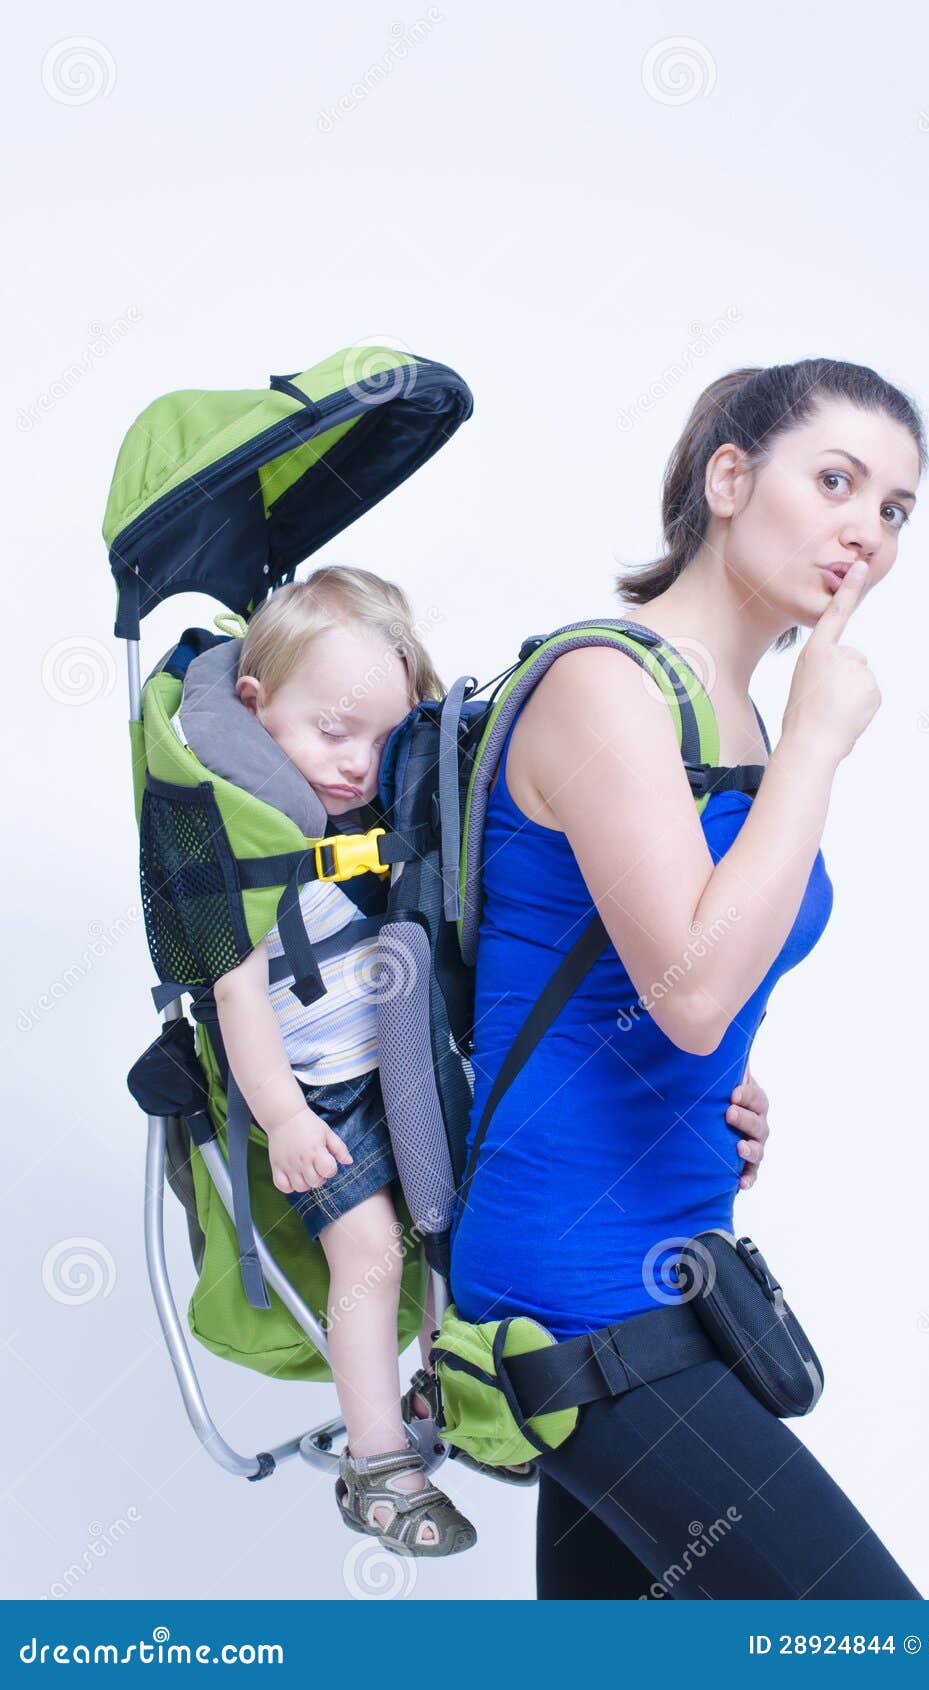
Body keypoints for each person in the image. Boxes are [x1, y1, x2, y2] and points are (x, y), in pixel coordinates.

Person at [449, 359, 928, 1598]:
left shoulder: (744, 716)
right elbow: (694, 986)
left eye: (893, 508)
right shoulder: (606, 683)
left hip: (675, 1242)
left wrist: (716, 1076)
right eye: (835, 480)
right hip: (574, 1272)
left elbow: (668, 976)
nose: (864, 531)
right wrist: (820, 741)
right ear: (728, 477)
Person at [212, 566, 476, 1558]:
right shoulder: (240, 835)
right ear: (255, 706)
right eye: (332, 732)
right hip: (321, 1090)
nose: (356, 764)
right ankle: (377, 1459)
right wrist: (282, 1115)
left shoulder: (391, 808)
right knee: (368, 1253)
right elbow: (235, 991)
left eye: (381, 738)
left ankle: (448, 1384)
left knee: (456, 1222)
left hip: (419, 1062)